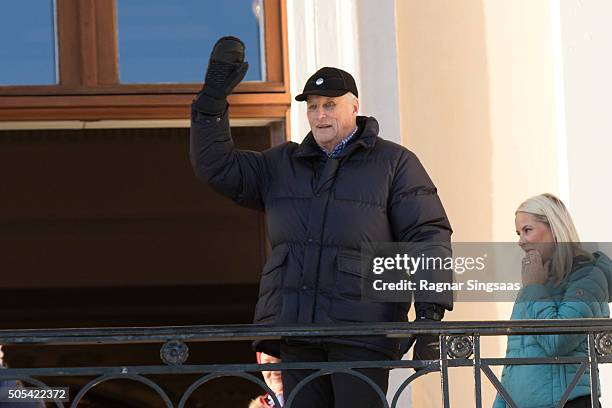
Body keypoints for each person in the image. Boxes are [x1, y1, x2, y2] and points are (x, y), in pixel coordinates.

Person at [190, 36, 453, 407]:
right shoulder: (282, 164)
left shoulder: (394, 163)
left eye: (330, 105)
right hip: (298, 333)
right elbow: (217, 167)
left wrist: (430, 313)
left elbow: (426, 234)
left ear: (355, 107)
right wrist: (212, 104)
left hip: (362, 334)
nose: (320, 115)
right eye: (313, 107)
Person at [493, 193, 612, 408]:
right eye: (518, 233)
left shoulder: (588, 276)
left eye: (527, 230)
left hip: (569, 403)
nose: (520, 241)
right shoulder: (534, 283)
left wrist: (533, 288)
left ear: (555, 229)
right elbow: (514, 358)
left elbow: (558, 341)